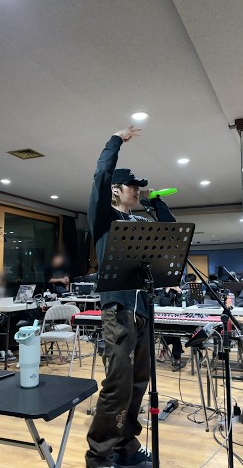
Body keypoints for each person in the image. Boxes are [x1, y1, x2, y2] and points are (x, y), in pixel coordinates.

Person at [85, 126, 175, 468]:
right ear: (116, 190)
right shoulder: (105, 219)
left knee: (138, 383)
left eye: (139, 186)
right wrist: (115, 141)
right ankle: (98, 456)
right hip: (118, 310)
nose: (137, 190)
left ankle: (126, 446)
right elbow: (100, 176)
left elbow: (170, 236)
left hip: (143, 312)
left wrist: (158, 203)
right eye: (132, 186)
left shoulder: (139, 221)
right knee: (118, 384)